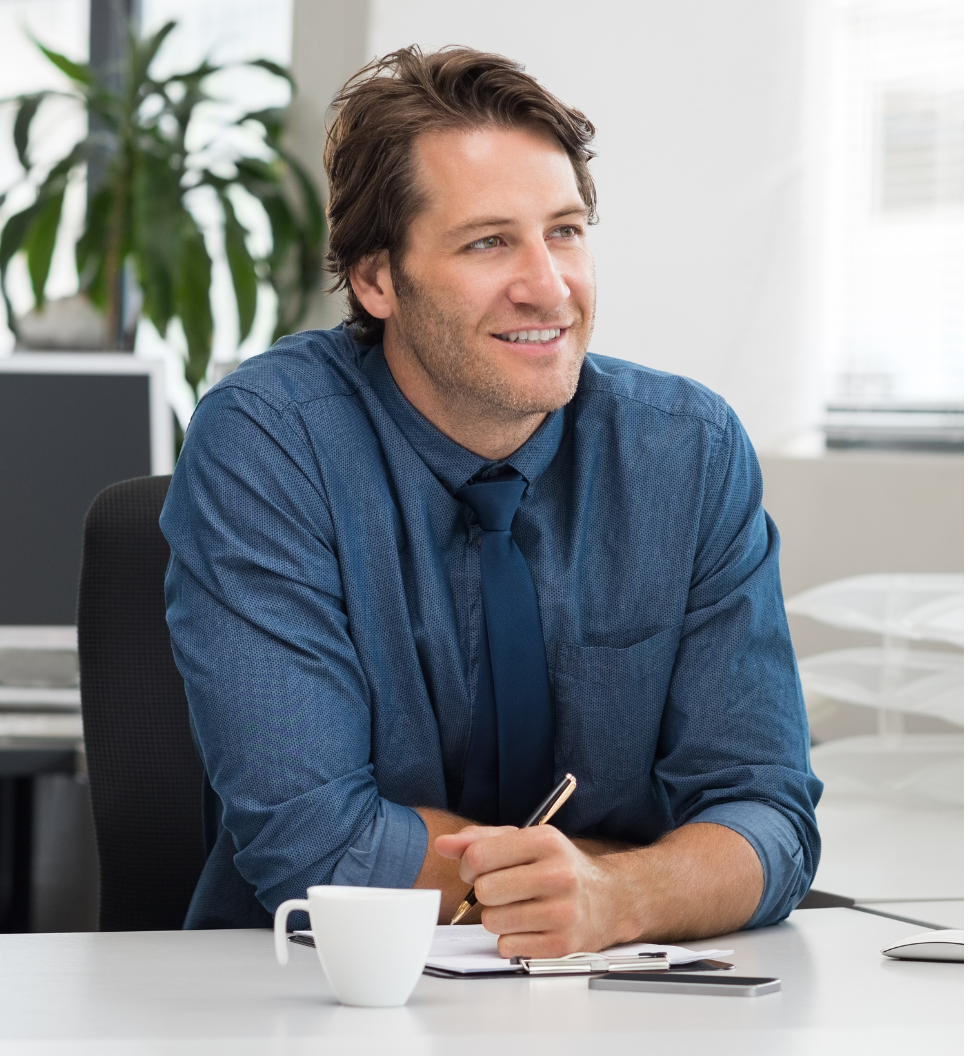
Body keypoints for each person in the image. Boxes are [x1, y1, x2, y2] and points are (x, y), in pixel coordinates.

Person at [161, 46, 821, 955]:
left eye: (565, 231)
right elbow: (320, 848)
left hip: (619, 1002)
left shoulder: (687, 452)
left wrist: (613, 893)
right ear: (376, 280)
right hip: (315, 996)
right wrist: (640, 878)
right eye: (488, 242)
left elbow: (769, 816)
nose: (548, 287)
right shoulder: (272, 441)